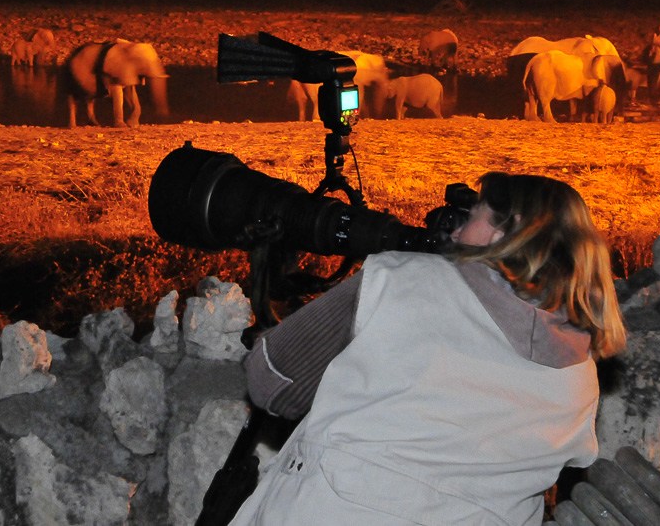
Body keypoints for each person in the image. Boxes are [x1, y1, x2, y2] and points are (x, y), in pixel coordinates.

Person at [228, 172, 626, 526]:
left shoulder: (403, 279)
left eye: (472, 216)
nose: (453, 233)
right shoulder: (581, 375)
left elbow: (271, 382)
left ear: (507, 232)